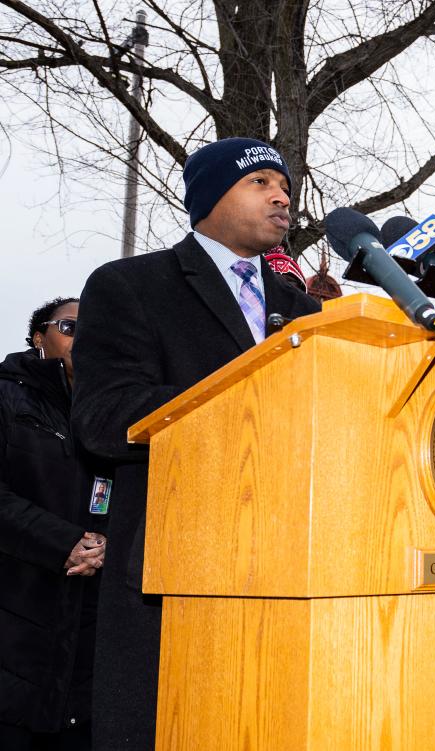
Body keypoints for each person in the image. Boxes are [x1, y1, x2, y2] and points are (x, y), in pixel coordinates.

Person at [71, 138, 322, 750]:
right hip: (174, 569)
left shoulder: (304, 310)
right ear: (210, 197)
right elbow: (103, 417)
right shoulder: (133, 284)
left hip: (292, 570)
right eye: (260, 181)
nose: (282, 196)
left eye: (285, 186)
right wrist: (241, 405)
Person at [0, 297, 108, 750]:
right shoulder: (6, 395)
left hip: (91, 616)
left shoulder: (113, 410)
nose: (82, 338)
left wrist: (108, 543)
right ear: (38, 337)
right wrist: (63, 541)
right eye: (69, 326)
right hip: (17, 600)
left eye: (96, 328)